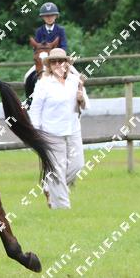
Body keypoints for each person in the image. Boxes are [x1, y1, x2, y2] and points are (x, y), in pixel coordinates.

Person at [28, 48, 89, 209]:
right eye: (53, 62)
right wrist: (35, 133)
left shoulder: (75, 81)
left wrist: (81, 99)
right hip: (51, 133)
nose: (57, 64)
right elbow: (35, 110)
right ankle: (63, 208)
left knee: (78, 165)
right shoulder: (43, 84)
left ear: (66, 63)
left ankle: (50, 186)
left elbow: (86, 105)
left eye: (60, 61)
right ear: (49, 65)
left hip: (73, 130)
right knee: (57, 170)